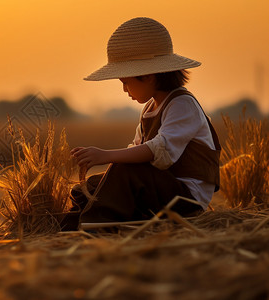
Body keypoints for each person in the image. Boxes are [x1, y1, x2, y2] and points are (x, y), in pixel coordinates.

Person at [60, 17, 220, 231]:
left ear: (149, 76)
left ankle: (96, 227)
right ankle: (70, 223)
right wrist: (107, 174)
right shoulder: (149, 109)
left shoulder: (183, 105)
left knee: (123, 172)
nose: (125, 90)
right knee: (92, 185)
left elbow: (159, 152)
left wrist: (105, 155)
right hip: (161, 190)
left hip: (186, 200)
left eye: (126, 82)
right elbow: (136, 152)